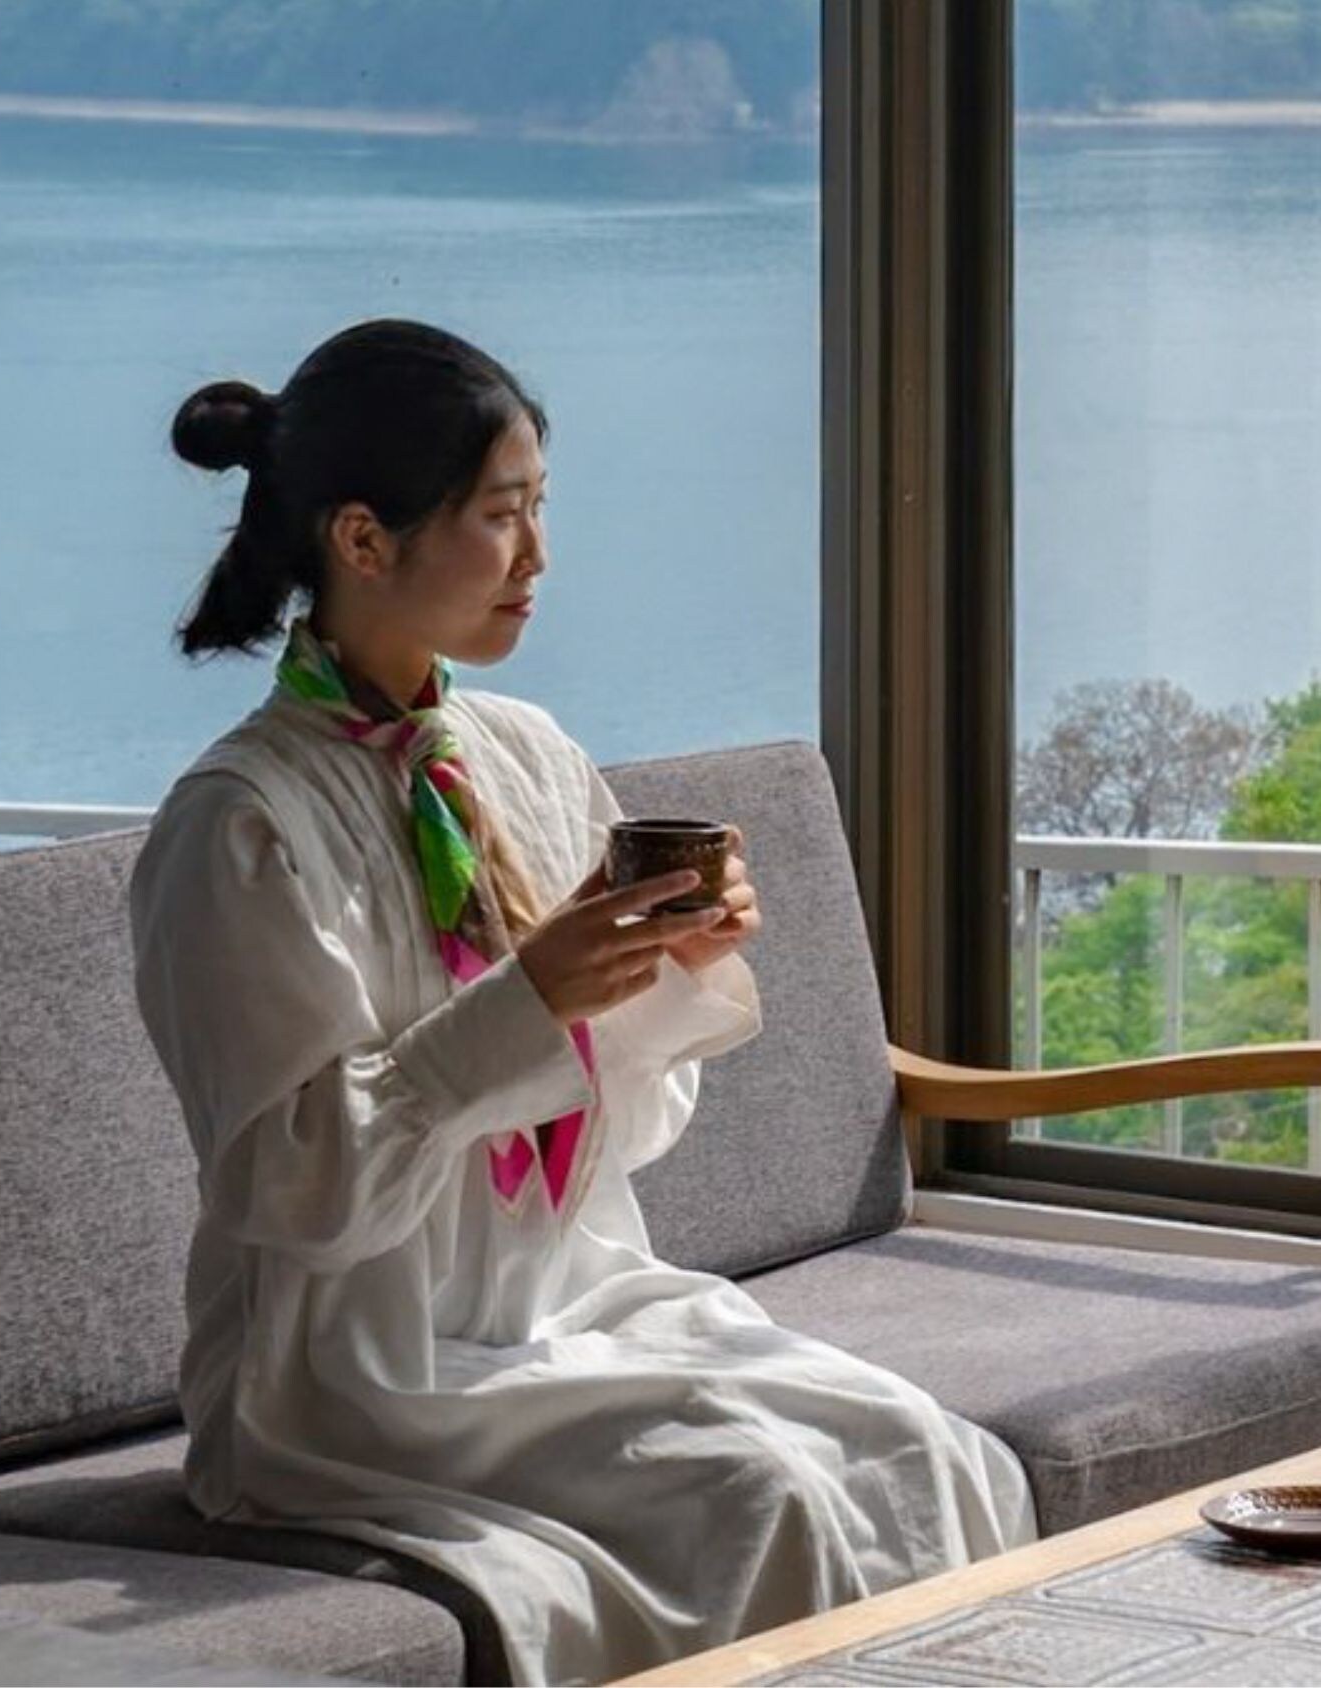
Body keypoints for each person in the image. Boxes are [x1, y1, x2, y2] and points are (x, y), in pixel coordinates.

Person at [126, 320, 1033, 1685]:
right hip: (355, 1371)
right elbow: (291, 1191)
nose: (540, 559)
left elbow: (616, 1137)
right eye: (502, 518)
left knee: (925, 1453)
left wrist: (661, 975)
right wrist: (531, 1001)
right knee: (763, 1498)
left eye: (541, 510)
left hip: (570, 1297)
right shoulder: (241, 826)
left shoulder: (529, 758)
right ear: (362, 540)